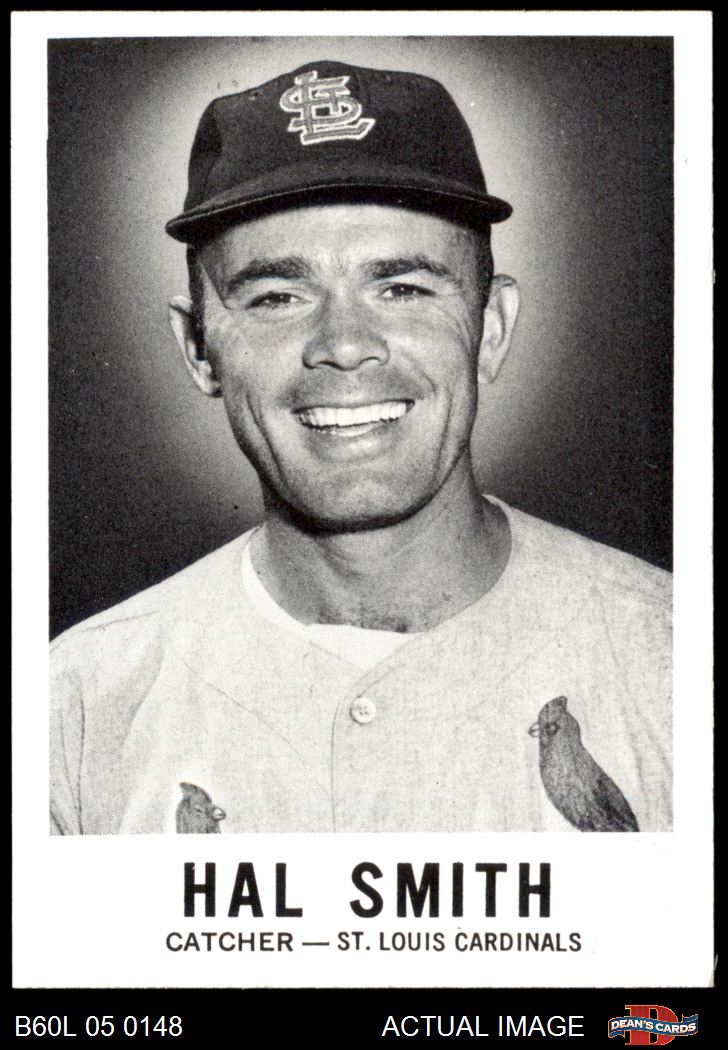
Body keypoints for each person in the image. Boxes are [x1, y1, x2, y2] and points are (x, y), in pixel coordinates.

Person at [49, 60, 671, 835]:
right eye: (277, 296)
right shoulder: (71, 707)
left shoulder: (675, 663)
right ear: (199, 348)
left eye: (402, 288)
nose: (344, 345)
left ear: (492, 328)